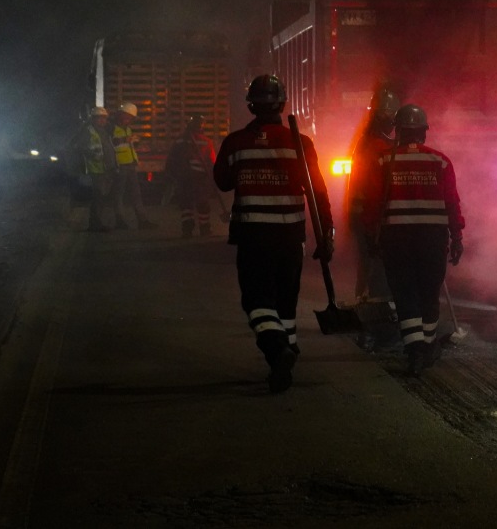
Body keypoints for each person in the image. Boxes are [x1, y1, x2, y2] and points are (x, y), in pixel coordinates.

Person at [213, 74, 334, 393]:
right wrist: (327, 235)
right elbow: (317, 192)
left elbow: (223, 181)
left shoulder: (235, 142)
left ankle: (278, 350)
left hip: (253, 237)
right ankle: (285, 360)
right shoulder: (300, 143)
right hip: (290, 238)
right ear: (282, 103)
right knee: (286, 303)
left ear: (251, 104)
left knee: (256, 301)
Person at [361, 104, 464, 377]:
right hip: (433, 240)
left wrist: (371, 235)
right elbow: (452, 203)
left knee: (405, 294)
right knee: (429, 293)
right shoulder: (440, 162)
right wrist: (457, 236)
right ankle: (426, 345)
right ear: (423, 132)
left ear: (398, 132)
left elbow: (372, 204)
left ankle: (415, 348)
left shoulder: (383, 161)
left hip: (397, 240)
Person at [346, 85, 401, 311]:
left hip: (363, 213)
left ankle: (364, 304)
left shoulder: (367, 141)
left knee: (367, 262)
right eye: (387, 114)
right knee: (375, 264)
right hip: (371, 215)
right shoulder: (379, 146)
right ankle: (370, 310)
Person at [166, 114, 217, 238]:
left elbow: (171, 160)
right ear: (201, 126)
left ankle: (187, 230)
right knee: (202, 204)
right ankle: (205, 229)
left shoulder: (179, 141)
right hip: (200, 178)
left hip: (184, 178)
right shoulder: (206, 141)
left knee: (186, 204)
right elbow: (212, 162)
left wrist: (173, 175)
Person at [110, 101, 158, 230]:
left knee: (136, 194)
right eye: (128, 117)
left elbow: (126, 145)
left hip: (130, 164)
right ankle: (120, 221)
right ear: (121, 114)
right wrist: (125, 140)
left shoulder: (127, 128)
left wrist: (136, 144)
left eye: (131, 118)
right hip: (119, 165)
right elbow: (109, 143)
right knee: (119, 194)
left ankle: (142, 221)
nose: (130, 120)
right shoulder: (111, 127)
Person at [71, 106, 117, 232]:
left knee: (102, 198)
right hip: (96, 170)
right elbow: (77, 146)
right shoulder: (88, 131)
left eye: (104, 118)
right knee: (98, 198)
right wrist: (92, 154)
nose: (102, 121)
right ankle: (95, 225)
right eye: (99, 118)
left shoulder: (104, 131)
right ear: (93, 119)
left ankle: (97, 223)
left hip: (106, 169)